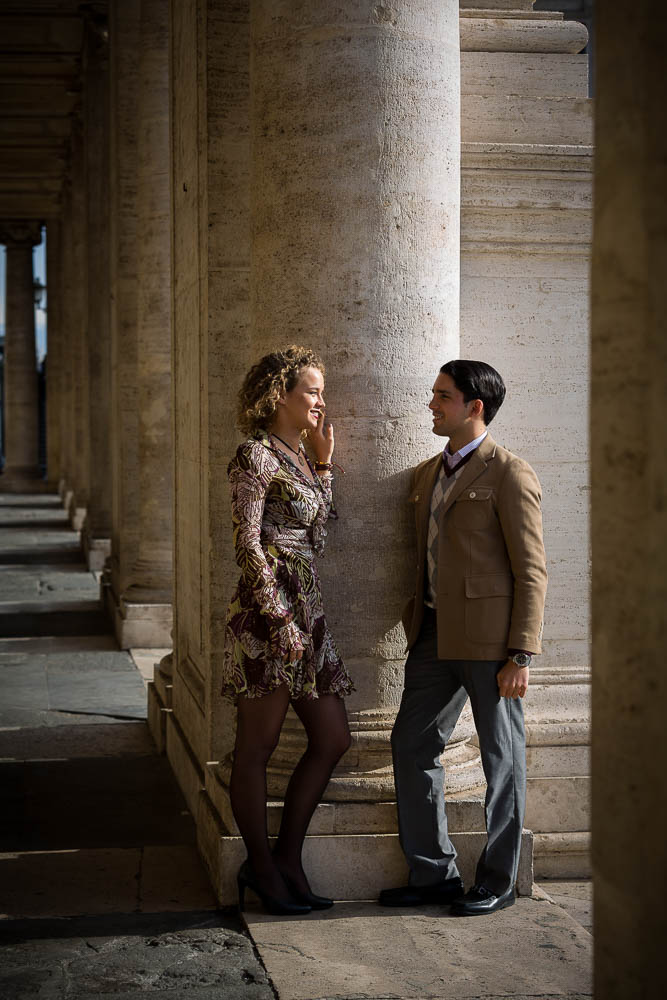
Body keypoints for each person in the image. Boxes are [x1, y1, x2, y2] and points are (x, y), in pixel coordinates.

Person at [379, 359, 547, 916]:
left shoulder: (510, 473)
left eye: (442, 396)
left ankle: (497, 880)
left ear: (474, 407)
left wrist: (520, 652)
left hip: (492, 645)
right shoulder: (426, 474)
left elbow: (531, 570)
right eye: (434, 394)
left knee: (502, 757)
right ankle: (434, 876)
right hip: (431, 636)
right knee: (411, 744)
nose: (432, 403)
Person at [222, 345, 353, 916]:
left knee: (333, 739)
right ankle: (262, 867)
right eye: (313, 391)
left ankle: (287, 859)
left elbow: (320, 538)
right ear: (281, 395)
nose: (322, 402)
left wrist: (323, 466)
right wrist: (278, 620)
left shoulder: (299, 457)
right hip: (266, 610)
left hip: (309, 607)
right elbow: (247, 543)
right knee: (257, 747)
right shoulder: (254, 456)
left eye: (321, 392)